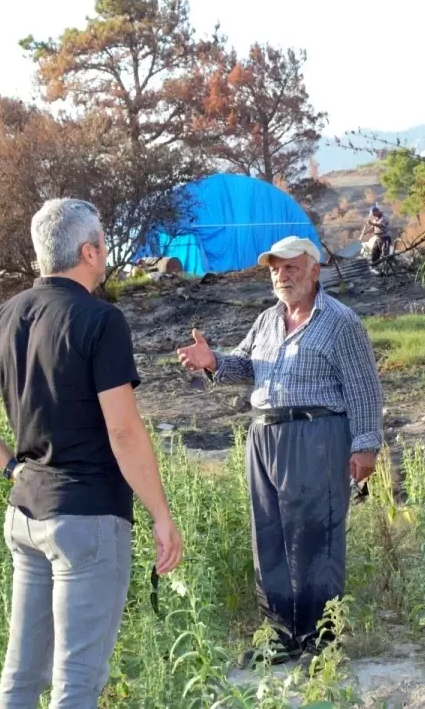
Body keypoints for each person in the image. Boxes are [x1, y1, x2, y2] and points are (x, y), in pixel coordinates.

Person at [0, 198, 183, 708]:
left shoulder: (1, 318)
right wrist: (161, 513)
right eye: (103, 242)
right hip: (87, 518)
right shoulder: (100, 320)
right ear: (89, 251)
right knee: (76, 681)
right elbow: (123, 431)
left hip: (26, 513)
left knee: (22, 675)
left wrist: (11, 465)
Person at [176, 235, 383, 665]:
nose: (281, 275)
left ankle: (321, 639)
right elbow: (246, 366)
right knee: (268, 535)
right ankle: (280, 634)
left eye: (290, 267)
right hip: (264, 436)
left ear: (314, 269)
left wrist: (365, 445)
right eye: (275, 268)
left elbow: (364, 387)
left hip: (318, 434)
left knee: (316, 536)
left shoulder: (340, 322)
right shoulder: (268, 320)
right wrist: (213, 360)